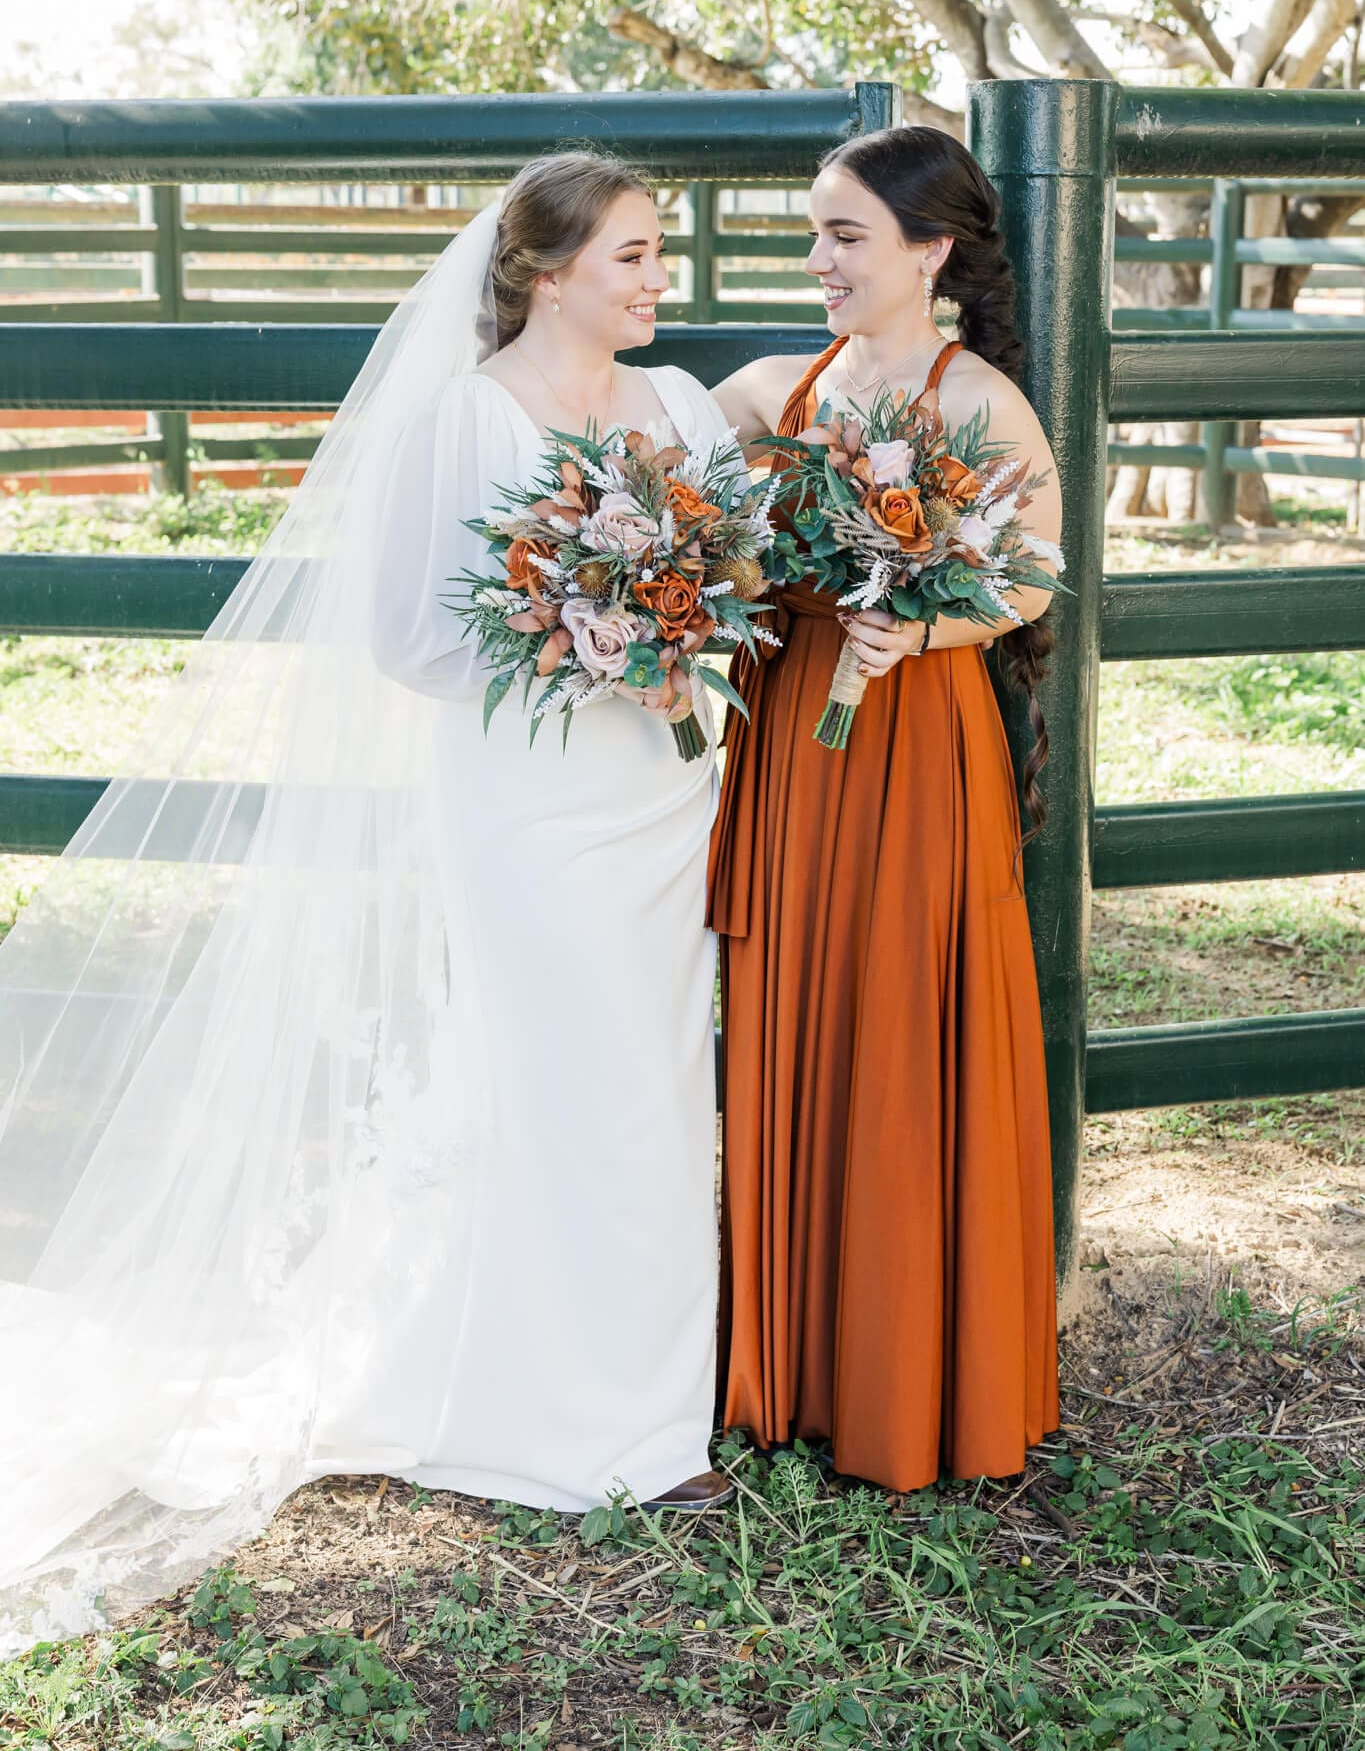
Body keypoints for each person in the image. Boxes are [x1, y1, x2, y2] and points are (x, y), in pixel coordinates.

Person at [0, 151, 729, 1661]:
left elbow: (735, 588)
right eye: (636, 257)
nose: (661, 283)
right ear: (545, 272)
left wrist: (681, 637)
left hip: (665, 793)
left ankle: (645, 1402)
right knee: (549, 1069)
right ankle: (530, 1399)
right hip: (523, 797)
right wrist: (584, 644)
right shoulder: (463, 419)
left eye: (662, 256)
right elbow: (405, 636)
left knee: (653, 1079)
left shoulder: (683, 413)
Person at [708, 124, 1062, 1493]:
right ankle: (785, 1373)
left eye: (843, 236)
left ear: (931, 251)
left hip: (914, 742)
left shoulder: (975, 399)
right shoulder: (779, 384)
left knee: (904, 1032)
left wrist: (919, 631)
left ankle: (904, 1377)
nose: (816, 261)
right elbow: (639, 434)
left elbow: (1029, 576)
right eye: (812, 232)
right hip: (797, 736)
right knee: (796, 1011)